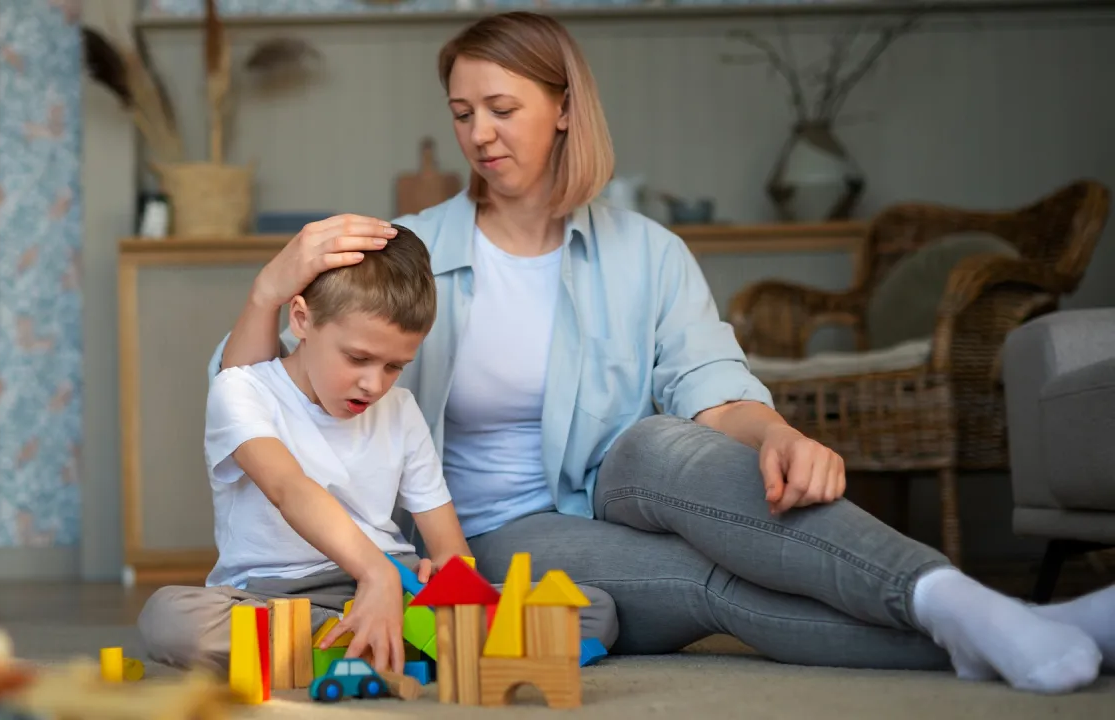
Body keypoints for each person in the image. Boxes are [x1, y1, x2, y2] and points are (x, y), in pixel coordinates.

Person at [199, 11, 1113, 694]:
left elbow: (711, 387)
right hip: (484, 531)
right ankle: (994, 622)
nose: (479, 133)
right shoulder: (408, 248)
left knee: (661, 441)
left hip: (618, 483)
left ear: (564, 109)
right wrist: (272, 283)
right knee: (709, 583)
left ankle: (968, 607)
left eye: (503, 108)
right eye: (463, 111)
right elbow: (249, 394)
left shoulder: (645, 252)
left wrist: (775, 435)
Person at [138, 225, 618, 675]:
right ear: (302, 320)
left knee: (593, 609)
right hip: (276, 594)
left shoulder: (401, 410)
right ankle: (393, 643)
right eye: (358, 358)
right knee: (170, 618)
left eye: (394, 366)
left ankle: (372, 642)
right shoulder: (241, 390)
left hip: (397, 581)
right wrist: (374, 575)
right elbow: (288, 488)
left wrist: (449, 584)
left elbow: (448, 543)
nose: (373, 384)